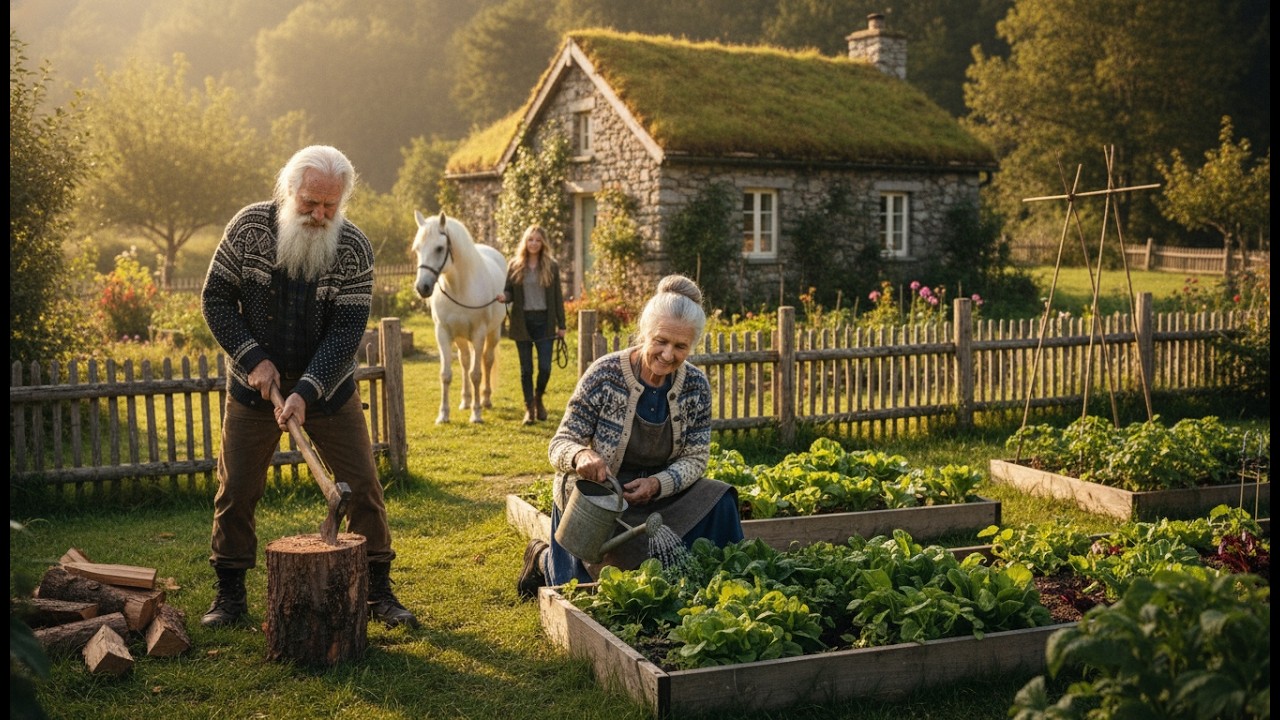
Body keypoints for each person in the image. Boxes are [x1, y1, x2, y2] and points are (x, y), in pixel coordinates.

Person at [200, 145, 418, 629]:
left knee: (362, 486)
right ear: (288, 192)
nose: (320, 215)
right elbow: (215, 299)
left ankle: (378, 591)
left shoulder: (354, 248)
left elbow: (346, 334)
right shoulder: (248, 230)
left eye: (330, 206)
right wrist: (254, 360)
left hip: (329, 390)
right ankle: (229, 595)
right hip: (254, 389)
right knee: (236, 489)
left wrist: (305, 393)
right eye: (310, 204)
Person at [517, 275, 744, 598]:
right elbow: (560, 443)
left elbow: (696, 457)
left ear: (692, 346)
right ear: (644, 333)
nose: (668, 354)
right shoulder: (605, 374)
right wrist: (581, 456)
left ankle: (715, 582)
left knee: (719, 499)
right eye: (661, 341)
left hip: (659, 495)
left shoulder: (695, 387)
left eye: (681, 347)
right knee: (580, 594)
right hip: (601, 496)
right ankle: (542, 559)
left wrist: (658, 484)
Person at [498, 225, 567, 425]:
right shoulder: (515, 264)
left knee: (545, 367)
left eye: (537, 240)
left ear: (543, 243)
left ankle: (538, 398)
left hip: (545, 322)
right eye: (530, 240)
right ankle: (529, 408)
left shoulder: (551, 265)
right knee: (526, 369)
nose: (534, 243)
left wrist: (561, 324)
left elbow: (557, 297)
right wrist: (505, 296)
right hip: (522, 321)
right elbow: (509, 290)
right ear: (525, 242)